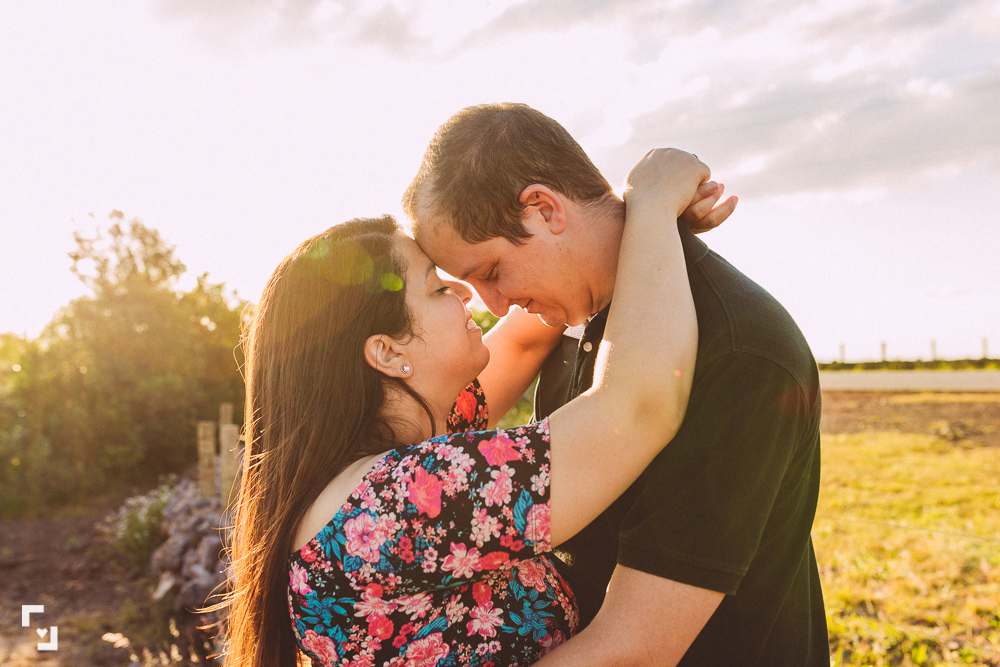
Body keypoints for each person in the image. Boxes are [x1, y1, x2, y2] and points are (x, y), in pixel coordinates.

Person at [222, 149, 711, 666]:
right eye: (436, 287)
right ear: (387, 352)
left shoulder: (368, 479)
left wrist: (615, 229)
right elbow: (636, 410)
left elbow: (530, 331)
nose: (466, 291)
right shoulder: (405, 499)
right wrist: (653, 200)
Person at [404, 103, 829, 666]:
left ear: (544, 210)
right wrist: (649, 212)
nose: (494, 307)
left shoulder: (741, 350)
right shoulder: (564, 319)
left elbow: (635, 651)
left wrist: (651, 207)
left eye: (491, 272)